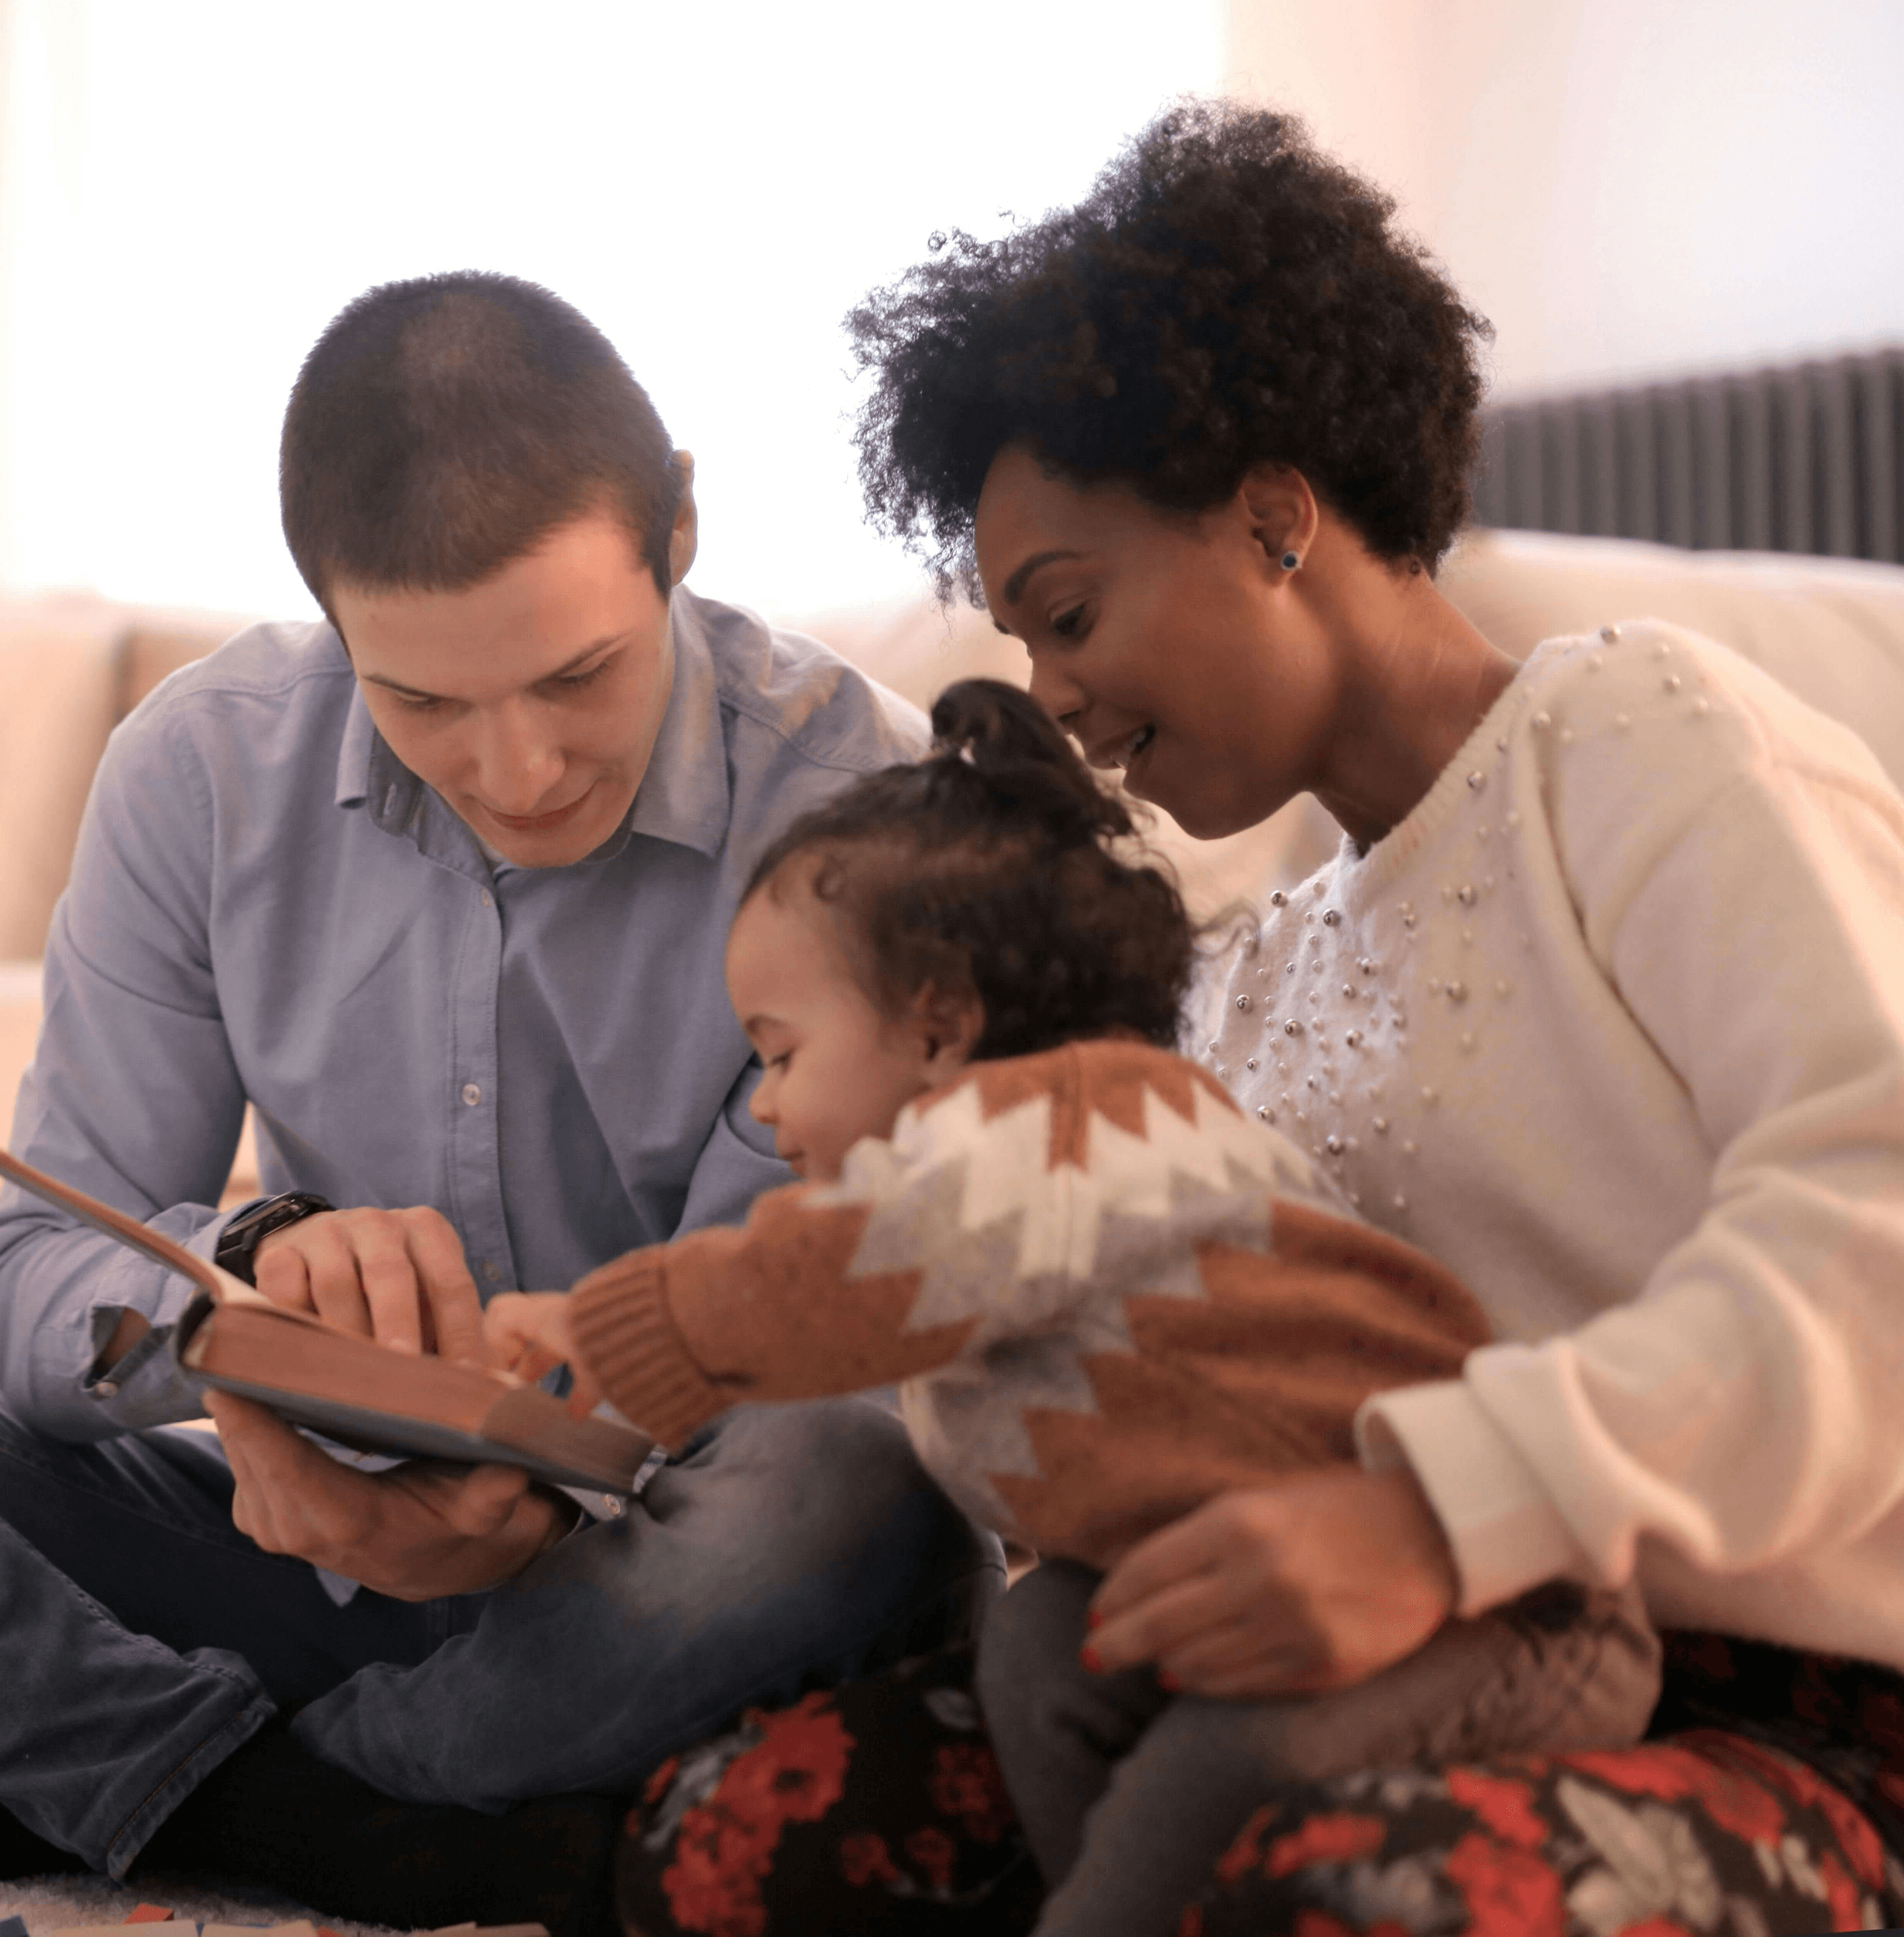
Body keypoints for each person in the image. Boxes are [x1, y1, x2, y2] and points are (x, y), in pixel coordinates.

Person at [0, 270, 998, 1935]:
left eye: (578, 675)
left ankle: (158, 1776)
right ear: (329, 617)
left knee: (863, 1489)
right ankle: (296, 1809)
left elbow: (819, 1338)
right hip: (295, 1548)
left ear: (681, 534)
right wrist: (238, 1317)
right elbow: (40, 1290)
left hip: (664, 1571)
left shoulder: (868, 803)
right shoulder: (201, 770)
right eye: (424, 699)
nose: (520, 772)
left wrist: (531, 1494)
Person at [611, 100, 1904, 1937]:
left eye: (1070, 614)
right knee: (740, 1841)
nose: (1052, 699)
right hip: (1364, 1673)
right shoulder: (1250, 964)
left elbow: (1879, 1223)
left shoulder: (1635, 740)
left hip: (1809, 1702)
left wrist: (1435, 1515)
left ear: (1277, 513)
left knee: (1322, 1890)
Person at [486, 676, 1662, 1937]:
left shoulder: (1065, 1134)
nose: (764, 1107)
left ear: (940, 1030)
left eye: (779, 1054)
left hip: (1510, 1617)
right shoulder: (1033, 1191)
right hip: (1263, 1598)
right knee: (1047, 1640)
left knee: (1221, 1773)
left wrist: (618, 1326)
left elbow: (839, 1269)